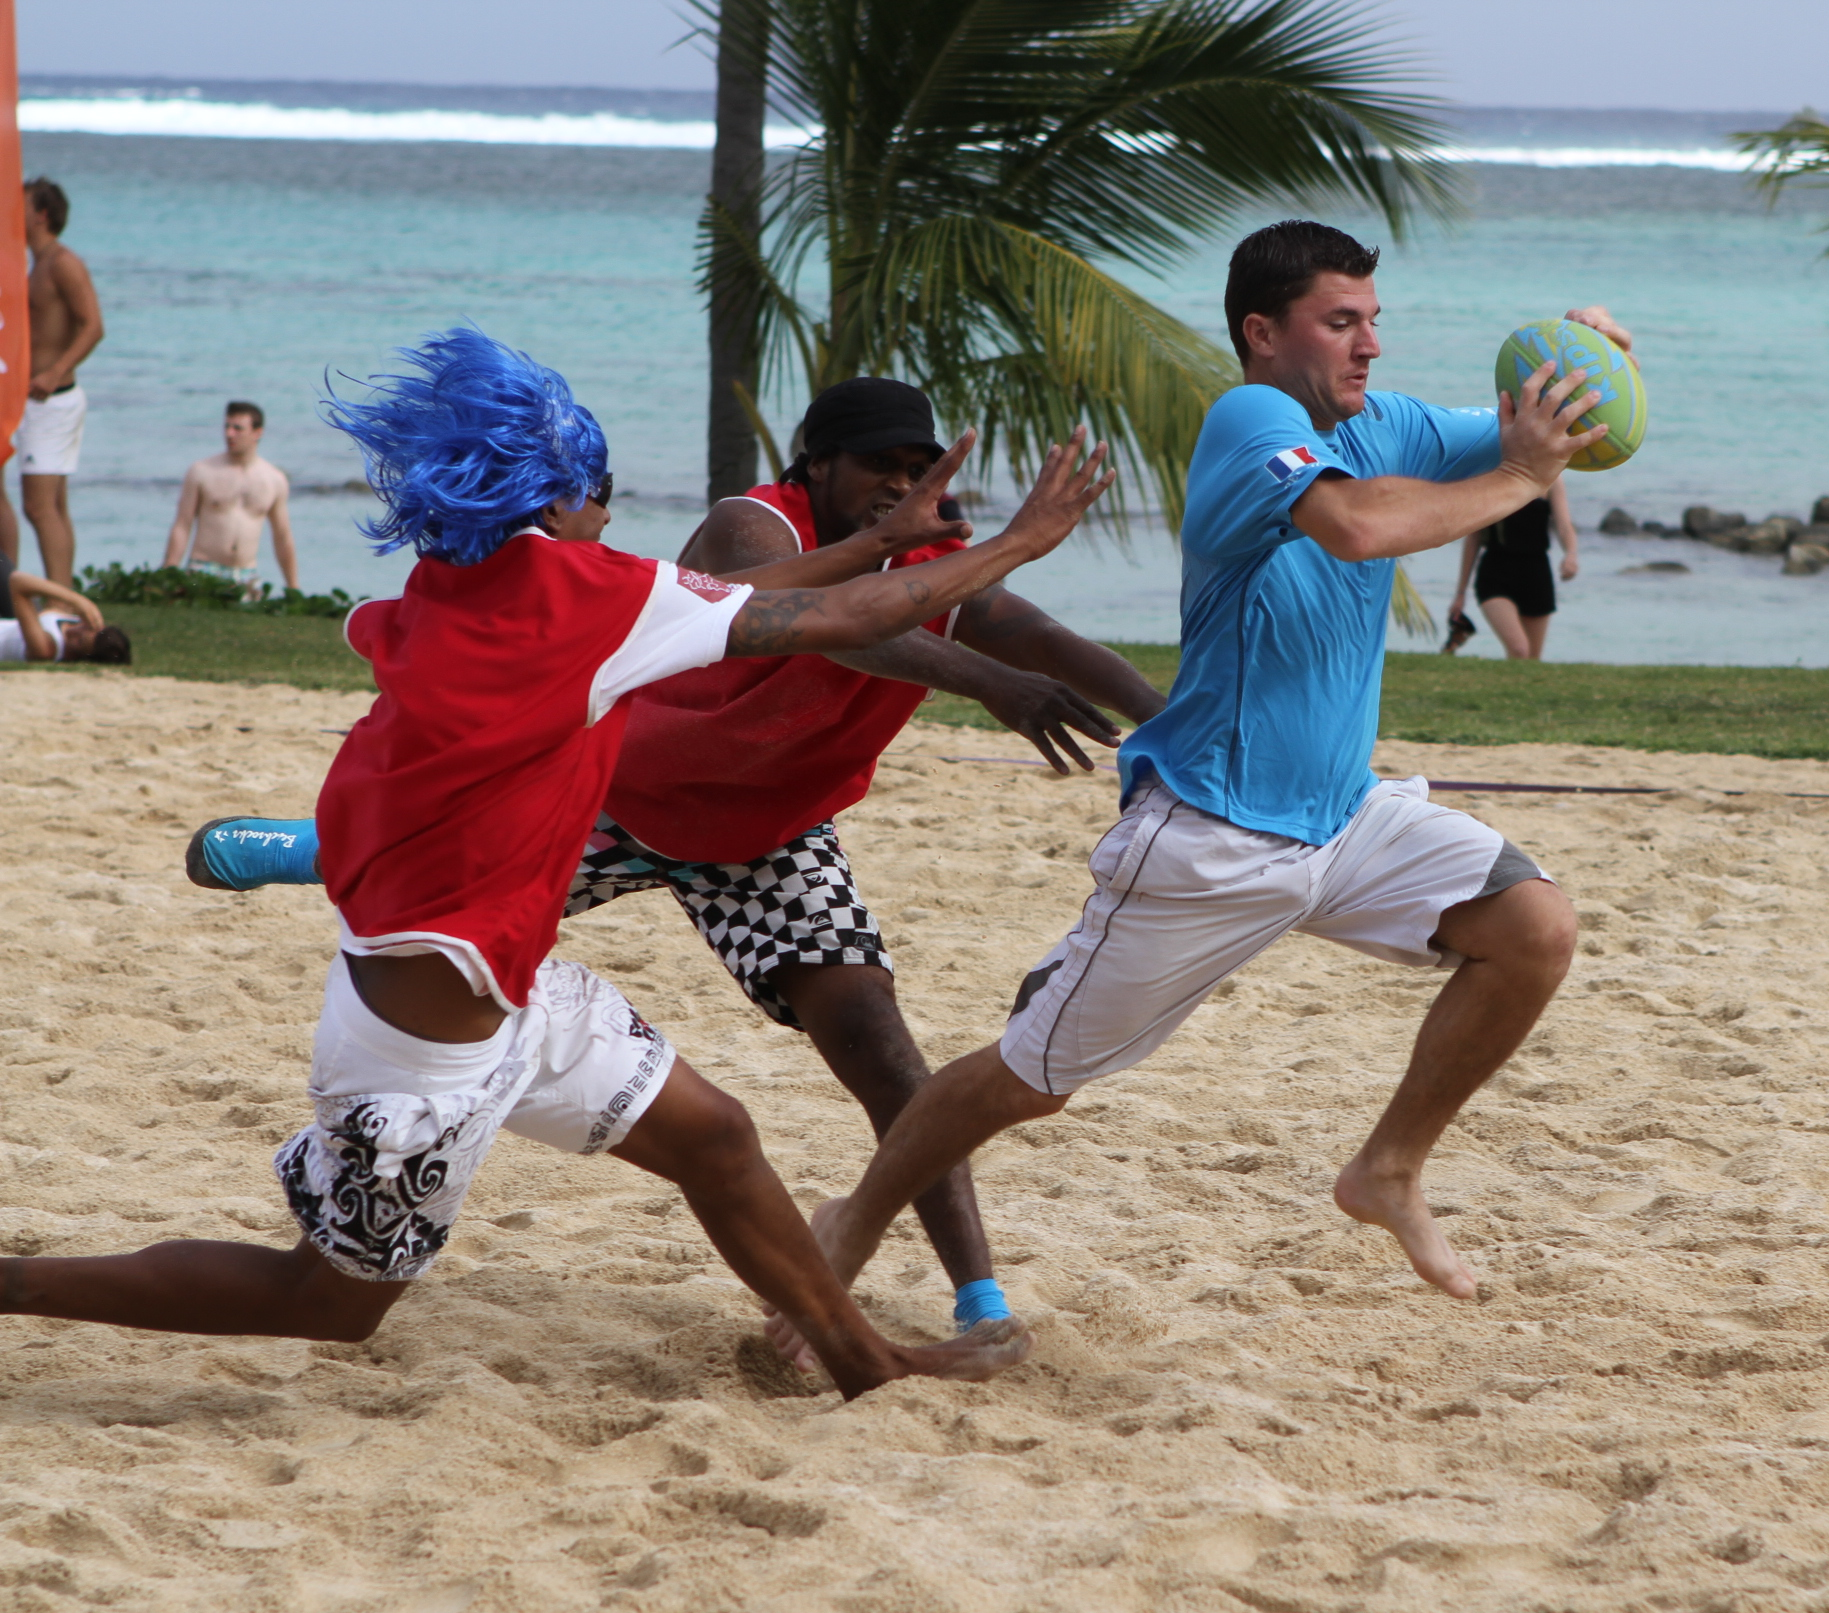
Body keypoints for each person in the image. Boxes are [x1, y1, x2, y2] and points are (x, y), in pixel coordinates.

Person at [0, 328, 1115, 1399]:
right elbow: (841, 618)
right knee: (326, 1303)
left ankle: (866, 1364)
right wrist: (1018, 541)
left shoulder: (462, 580)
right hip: (423, 1047)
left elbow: (758, 596)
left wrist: (879, 539)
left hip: (511, 988)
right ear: (548, 501)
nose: (612, 510)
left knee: (718, 1139)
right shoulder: (591, 605)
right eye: (600, 490)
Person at [762, 220, 1627, 1352]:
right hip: (1212, 835)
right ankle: (853, 1222)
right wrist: (1517, 477)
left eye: (1373, 320)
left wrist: (1586, 360)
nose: (1368, 344)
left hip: (1342, 817)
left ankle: (1387, 1169)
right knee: (1029, 1080)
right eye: (1340, 322)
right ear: (1262, 333)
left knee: (1534, 928)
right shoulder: (1249, 421)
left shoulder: (1390, 422)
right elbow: (1358, 525)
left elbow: (1561, 434)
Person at [16, 179, 104, 593]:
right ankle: (63, 598)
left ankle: (60, 602)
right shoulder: (35, 264)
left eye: (19, 205)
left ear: (41, 215)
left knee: (38, 507)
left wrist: (54, 372)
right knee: (52, 505)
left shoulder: (63, 263)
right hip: (38, 400)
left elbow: (93, 326)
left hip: (52, 399)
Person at [162, 401, 300, 596]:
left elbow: (282, 536)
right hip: (203, 570)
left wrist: (293, 587)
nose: (229, 434)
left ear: (257, 433)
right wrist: (169, 572)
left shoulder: (274, 480)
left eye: (238, 429)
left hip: (247, 575)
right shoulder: (202, 471)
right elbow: (182, 525)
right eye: (227, 427)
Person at [1445, 477, 1578, 659]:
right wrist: (1460, 593)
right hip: (1495, 572)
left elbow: (1564, 525)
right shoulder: (1488, 474)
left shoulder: (1551, 477)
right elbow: (1474, 537)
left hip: (1536, 573)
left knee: (1531, 660)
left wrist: (1571, 554)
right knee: (1519, 649)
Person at [0, 567, 130, 664]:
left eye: (79, 641)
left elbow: (17, 581)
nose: (74, 631)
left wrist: (76, 600)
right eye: (87, 628)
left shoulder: (47, 649)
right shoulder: (72, 622)